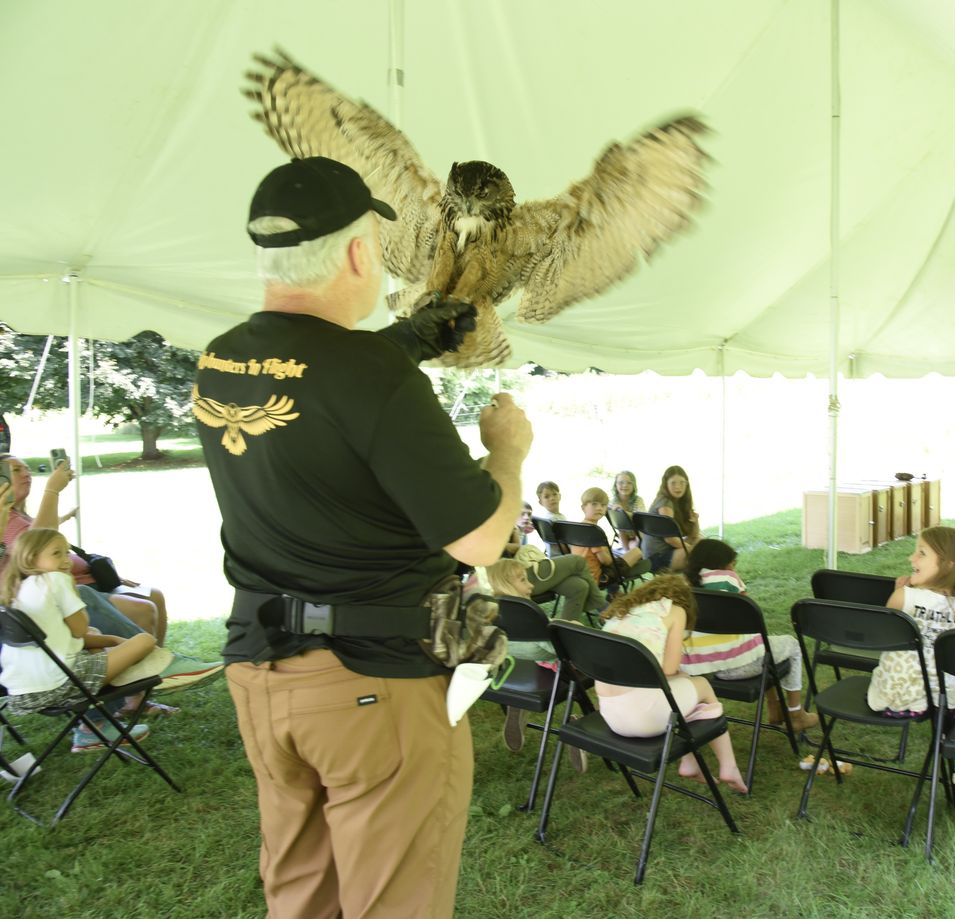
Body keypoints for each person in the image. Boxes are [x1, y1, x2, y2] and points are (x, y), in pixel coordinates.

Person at [195, 156, 531, 919]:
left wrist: (404, 340)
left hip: (259, 671)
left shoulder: (218, 361)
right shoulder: (374, 378)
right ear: (356, 253)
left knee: (303, 896)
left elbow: (309, 375)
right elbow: (481, 538)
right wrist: (508, 450)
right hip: (370, 685)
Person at [0, 528, 157, 752]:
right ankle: (166, 668)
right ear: (31, 558)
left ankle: (96, 725)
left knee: (98, 640)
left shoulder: (18, 589)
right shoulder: (55, 580)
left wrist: (112, 640)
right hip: (61, 684)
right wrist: (72, 590)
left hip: (24, 693)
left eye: (66, 553)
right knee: (144, 640)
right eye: (57, 554)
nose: (66, 561)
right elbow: (79, 629)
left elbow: (72, 638)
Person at [866, 527, 955, 787]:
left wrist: (899, 594)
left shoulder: (903, 596)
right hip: (946, 700)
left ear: (948, 565)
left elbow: (881, 636)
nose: (911, 559)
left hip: (890, 696)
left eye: (921, 553)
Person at [596, 574, 748, 794]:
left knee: (682, 688)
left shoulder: (619, 615)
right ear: (684, 599)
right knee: (702, 685)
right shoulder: (675, 611)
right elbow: (669, 669)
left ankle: (690, 762)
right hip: (645, 718)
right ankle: (728, 766)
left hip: (612, 716)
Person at [0, 453, 170, 646]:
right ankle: (157, 664)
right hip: (68, 593)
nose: (26, 474)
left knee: (155, 595)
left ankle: (161, 665)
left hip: (86, 583)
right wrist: (52, 490)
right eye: (15, 470)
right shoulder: (7, 519)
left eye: (26, 469)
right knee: (144, 609)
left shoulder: (20, 515)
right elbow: (38, 546)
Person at [679, 538, 819, 732]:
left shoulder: (682, 585)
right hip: (739, 664)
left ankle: (774, 708)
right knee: (791, 645)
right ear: (722, 563)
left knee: (765, 645)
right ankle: (796, 714)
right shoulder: (728, 578)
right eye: (732, 563)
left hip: (704, 671)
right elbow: (747, 615)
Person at [483, 558, 585, 772]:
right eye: (522, 580)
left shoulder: (493, 611)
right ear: (505, 584)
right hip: (562, 668)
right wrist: (573, 629)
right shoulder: (528, 614)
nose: (530, 585)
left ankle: (518, 706)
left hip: (526, 665)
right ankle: (578, 730)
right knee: (610, 673)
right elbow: (559, 649)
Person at [571, 487, 647, 590]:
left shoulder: (579, 527)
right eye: (594, 504)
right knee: (638, 553)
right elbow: (605, 561)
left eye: (603, 505)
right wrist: (612, 557)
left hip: (580, 576)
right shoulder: (594, 531)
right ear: (583, 507)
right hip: (598, 578)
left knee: (629, 558)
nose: (599, 508)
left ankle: (614, 592)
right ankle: (614, 593)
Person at [643, 465, 701, 571]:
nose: (678, 487)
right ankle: (700, 582)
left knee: (700, 541)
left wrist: (695, 521)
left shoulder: (681, 502)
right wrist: (693, 550)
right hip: (656, 558)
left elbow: (694, 535)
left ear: (687, 484)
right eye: (673, 483)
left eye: (682, 482)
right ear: (666, 484)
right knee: (698, 553)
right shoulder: (665, 503)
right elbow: (670, 539)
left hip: (670, 551)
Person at [610, 470, 645, 552]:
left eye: (629, 483)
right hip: (624, 534)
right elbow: (615, 522)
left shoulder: (638, 500)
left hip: (639, 534)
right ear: (616, 485)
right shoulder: (614, 502)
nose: (625, 485)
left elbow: (640, 519)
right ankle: (627, 553)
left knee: (636, 541)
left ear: (634, 485)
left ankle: (630, 553)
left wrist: (623, 512)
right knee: (621, 528)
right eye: (621, 482)